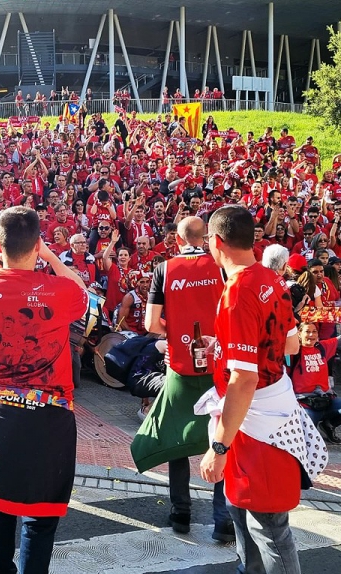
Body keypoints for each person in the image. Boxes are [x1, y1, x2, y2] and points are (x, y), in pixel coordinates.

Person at [0, 206, 88, 574]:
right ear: (37, 244)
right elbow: (84, 293)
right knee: (40, 518)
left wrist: (1, 263)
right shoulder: (59, 290)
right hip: (46, 418)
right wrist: (49, 255)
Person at [199, 205, 316, 574]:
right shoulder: (272, 278)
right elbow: (291, 345)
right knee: (243, 511)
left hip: (256, 420)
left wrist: (219, 446)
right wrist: (223, 347)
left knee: (268, 525)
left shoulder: (237, 293)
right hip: (272, 406)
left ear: (216, 242)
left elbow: (244, 379)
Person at [135, 216, 233, 542]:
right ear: (204, 238)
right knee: (221, 434)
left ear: (177, 240)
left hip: (179, 366)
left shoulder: (164, 269)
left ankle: (181, 512)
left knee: (177, 437)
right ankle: (223, 520)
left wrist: (175, 335)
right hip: (217, 365)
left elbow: (151, 323)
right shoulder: (220, 267)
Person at [289, 321, 341, 444]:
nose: (311, 335)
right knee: (307, 438)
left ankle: (329, 425)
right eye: (307, 331)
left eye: (314, 332)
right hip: (305, 404)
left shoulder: (322, 347)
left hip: (327, 400)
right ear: (299, 334)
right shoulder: (293, 352)